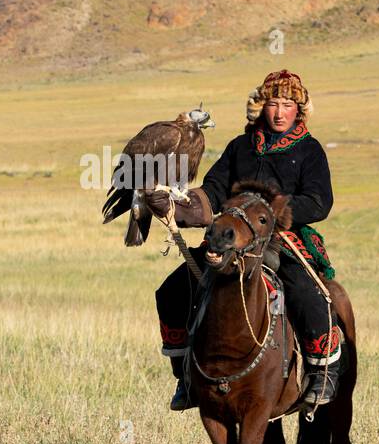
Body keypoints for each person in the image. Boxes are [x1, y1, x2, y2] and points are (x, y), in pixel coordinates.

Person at [146, 69, 342, 410]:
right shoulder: (240, 148)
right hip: (231, 239)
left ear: (299, 109)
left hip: (283, 238)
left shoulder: (309, 151)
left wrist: (269, 212)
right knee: (173, 291)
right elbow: (213, 191)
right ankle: (186, 377)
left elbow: (319, 200)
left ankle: (323, 371)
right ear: (260, 107)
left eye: (287, 104)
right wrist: (177, 207)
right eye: (273, 103)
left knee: (308, 295)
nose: (280, 112)